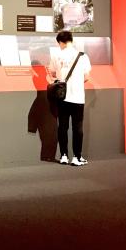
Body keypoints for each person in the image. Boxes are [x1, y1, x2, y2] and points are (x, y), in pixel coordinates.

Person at [47, 30, 92, 166]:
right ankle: (77, 157)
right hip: (78, 97)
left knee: (62, 127)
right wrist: (76, 83)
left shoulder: (56, 55)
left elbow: (52, 73)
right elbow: (87, 77)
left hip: (62, 96)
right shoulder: (83, 56)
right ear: (71, 40)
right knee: (77, 128)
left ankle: (64, 156)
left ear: (60, 42)